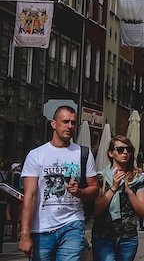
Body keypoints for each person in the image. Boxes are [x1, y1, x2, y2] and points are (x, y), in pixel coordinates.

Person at [19, 106, 100, 261]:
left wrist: (80, 192)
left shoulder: (83, 153)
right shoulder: (36, 155)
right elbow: (29, 196)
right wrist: (24, 234)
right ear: (54, 124)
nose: (70, 126)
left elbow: (95, 189)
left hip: (72, 223)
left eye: (73, 122)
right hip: (42, 228)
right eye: (65, 121)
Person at [92, 137, 144, 261]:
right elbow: (95, 211)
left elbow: (143, 211)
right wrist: (113, 188)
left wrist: (129, 192)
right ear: (111, 153)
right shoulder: (100, 178)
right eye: (120, 149)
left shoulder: (137, 179)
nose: (125, 153)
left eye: (128, 149)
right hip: (103, 235)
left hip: (128, 237)